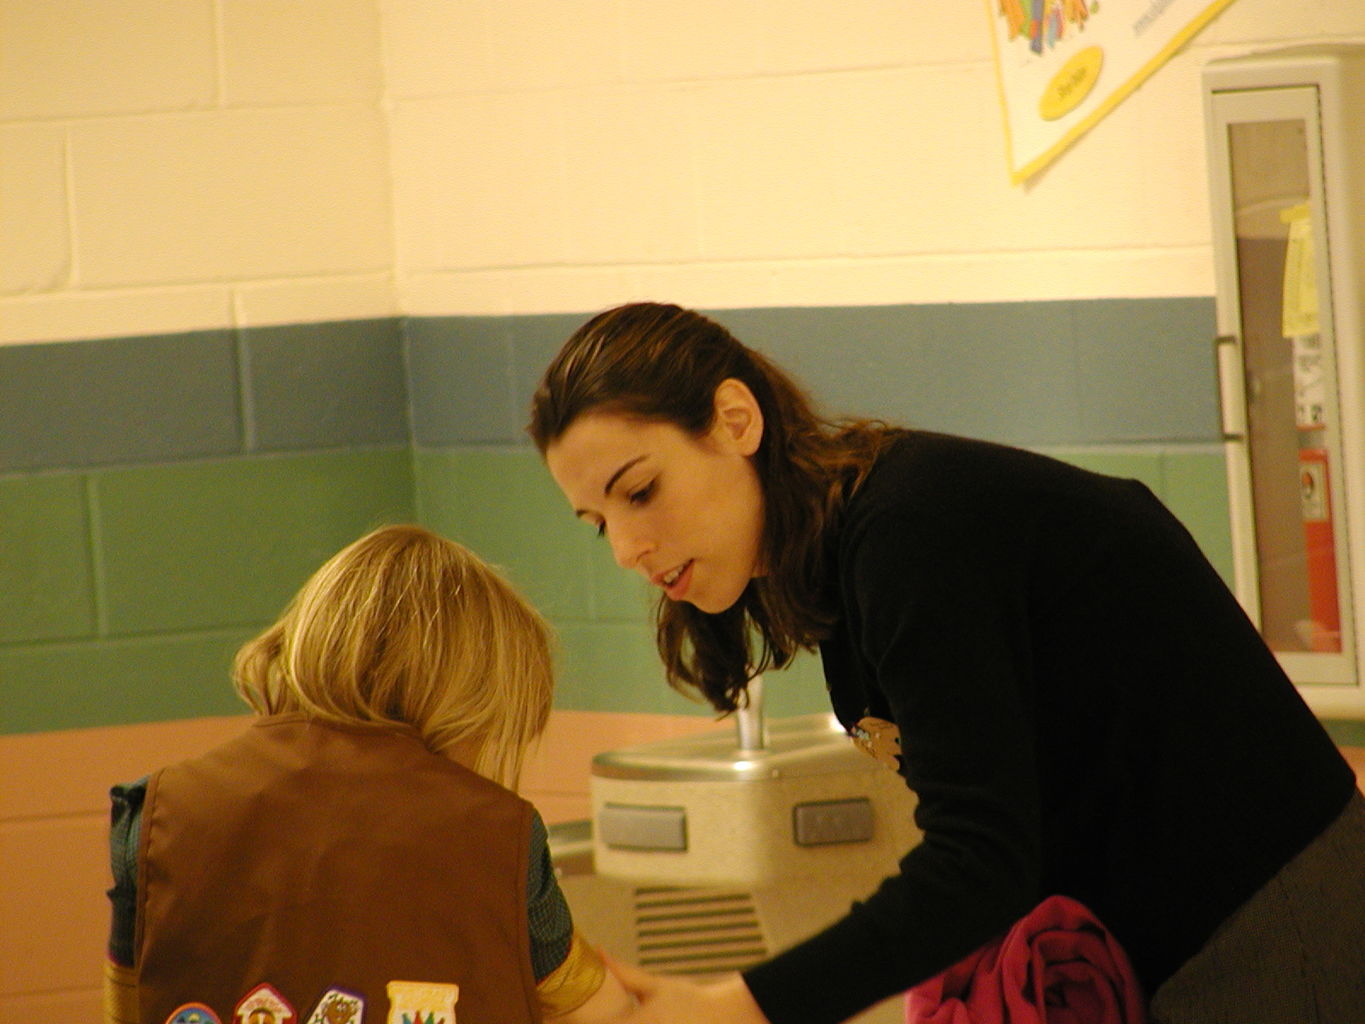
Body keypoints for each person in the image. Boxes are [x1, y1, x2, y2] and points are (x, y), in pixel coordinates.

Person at [528, 301, 1365, 1024]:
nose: (628, 548)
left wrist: (741, 1004)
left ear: (736, 420)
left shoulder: (910, 530)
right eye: (597, 521)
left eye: (639, 491)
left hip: (1270, 915)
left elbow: (980, 860)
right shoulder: (844, 560)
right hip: (1167, 935)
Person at [104, 524, 634, 1024]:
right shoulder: (497, 831)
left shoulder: (157, 811)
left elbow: (127, 1007)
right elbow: (596, 1012)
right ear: (466, 702)